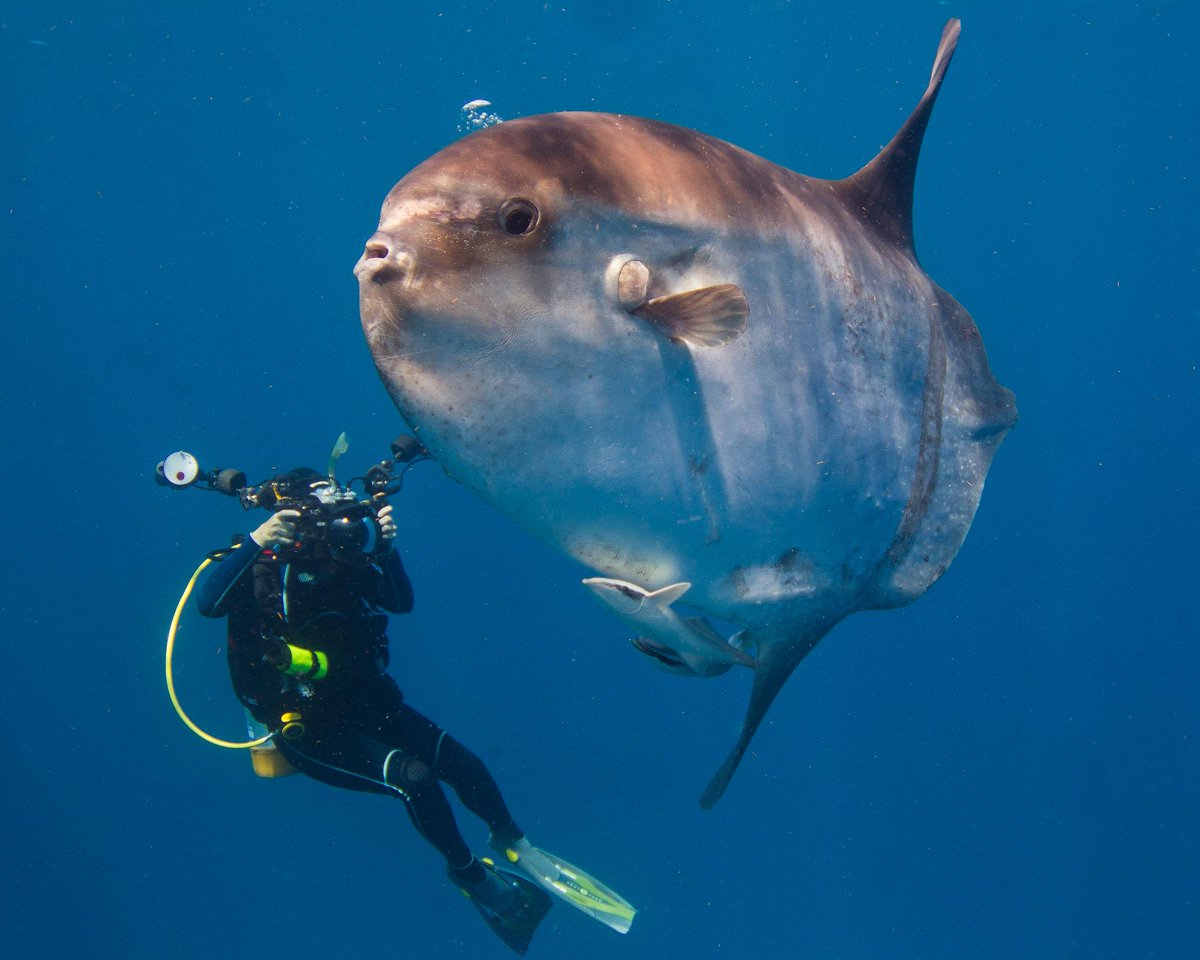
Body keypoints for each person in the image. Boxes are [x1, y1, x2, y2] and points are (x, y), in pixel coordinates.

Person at [194, 467, 633, 954]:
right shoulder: (262, 565)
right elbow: (208, 603)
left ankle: (513, 842)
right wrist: (256, 540)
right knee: (416, 778)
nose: (345, 538)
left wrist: (384, 549)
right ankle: (469, 875)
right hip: (308, 728)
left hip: (367, 700)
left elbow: (400, 602)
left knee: (461, 762)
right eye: (335, 524)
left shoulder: (345, 560)